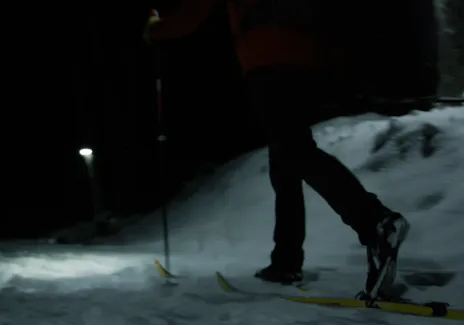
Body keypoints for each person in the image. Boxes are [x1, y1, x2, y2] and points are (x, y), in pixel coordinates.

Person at [143, 0, 437, 301]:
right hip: (307, 62)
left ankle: (375, 222)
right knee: (284, 161)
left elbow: (196, 10)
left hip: (270, 62)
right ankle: (286, 261)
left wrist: (158, 28)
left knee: (295, 151)